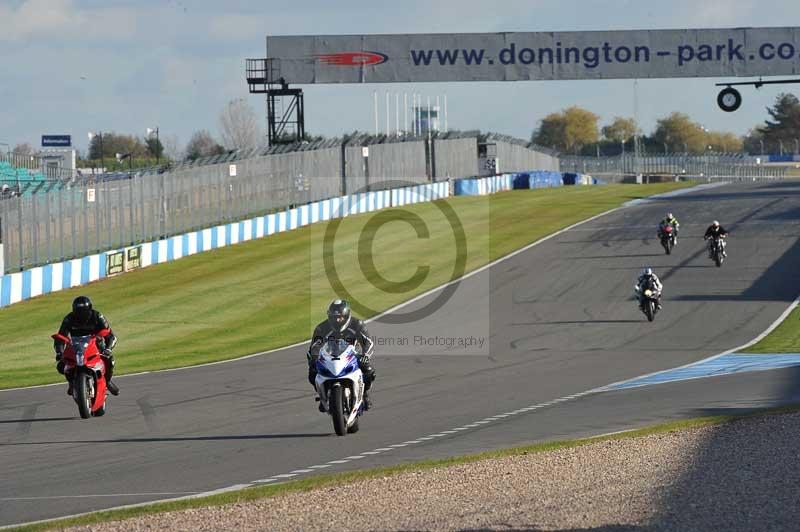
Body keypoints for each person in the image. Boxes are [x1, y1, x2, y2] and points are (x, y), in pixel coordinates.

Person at [307, 299, 376, 410]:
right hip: (329, 357)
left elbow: (368, 342)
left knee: (369, 371)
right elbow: (315, 346)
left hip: (353, 355)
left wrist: (365, 355)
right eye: (334, 317)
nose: (338, 320)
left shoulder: (357, 324)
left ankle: (364, 394)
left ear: (347, 315)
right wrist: (314, 358)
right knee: (312, 373)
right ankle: (323, 396)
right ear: (329, 316)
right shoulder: (321, 328)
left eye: (341, 317)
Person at [54, 296, 119, 396]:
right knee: (61, 365)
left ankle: (107, 381)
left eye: (83, 311)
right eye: (78, 311)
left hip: (96, 347)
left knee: (109, 360)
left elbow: (110, 335)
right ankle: (72, 383)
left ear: (89, 309)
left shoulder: (97, 316)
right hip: (75, 348)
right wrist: (59, 352)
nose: (81, 315)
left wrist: (108, 348)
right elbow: (60, 337)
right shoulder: (69, 318)